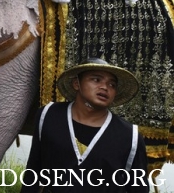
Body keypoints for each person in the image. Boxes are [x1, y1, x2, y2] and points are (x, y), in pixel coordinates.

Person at [21, 58, 149, 192]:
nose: (105, 87)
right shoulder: (49, 115)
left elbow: (138, 188)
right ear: (77, 84)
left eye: (112, 85)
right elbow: (34, 169)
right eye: (96, 79)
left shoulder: (129, 136)